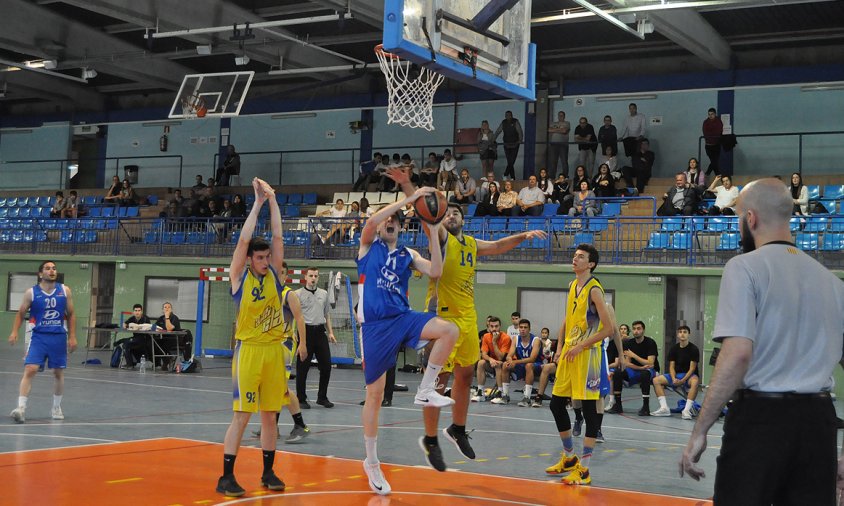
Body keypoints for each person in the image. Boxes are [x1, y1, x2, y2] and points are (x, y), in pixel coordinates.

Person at [679, 178, 844, 505]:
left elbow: (738, 354)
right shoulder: (832, 282)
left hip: (761, 422)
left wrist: (700, 431)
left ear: (750, 219)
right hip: (819, 425)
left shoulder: (744, 268)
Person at [391, 166, 547, 470]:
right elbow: (425, 215)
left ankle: (457, 429)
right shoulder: (441, 238)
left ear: (465, 220)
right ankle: (431, 439)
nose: (451, 217)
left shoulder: (472, 244)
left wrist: (524, 234)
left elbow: (500, 245)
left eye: (457, 215)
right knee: (438, 382)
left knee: (464, 376)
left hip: (467, 317)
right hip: (443, 319)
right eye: (448, 214)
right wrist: (409, 186)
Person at [357, 186, 458, 494]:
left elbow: (437, 271)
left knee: (449, 330)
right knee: (374, 396)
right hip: (375, 327)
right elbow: (372, 222)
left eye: (397, 221)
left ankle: (426, 389)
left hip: (402, 318)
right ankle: (371, 461)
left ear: (402, 228)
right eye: (389, 220)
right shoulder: (367, 247)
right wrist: (408, 201)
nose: (391, 223)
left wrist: (431, 233)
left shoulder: (408, 255)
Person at [216, 177, 287, 497]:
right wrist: (256, 203)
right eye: (259, 257)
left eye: (266, 257)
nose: (264, 260)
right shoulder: (238, 278)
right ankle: (226, 476)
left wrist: (272, 199)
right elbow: (244, 242)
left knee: (271, 415)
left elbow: (277, 235)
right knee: (242, 415)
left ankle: (268, 471)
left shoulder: (275, 272)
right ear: (249, 260)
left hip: (274, 351)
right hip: (249, 351)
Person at [546, 245, 623, 486]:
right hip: (569, 354)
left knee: (590, 411)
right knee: (556, 405)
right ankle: (569, 457)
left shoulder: (595, 290)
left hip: (589, 356)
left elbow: (609, 329)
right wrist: (560, 347)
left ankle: (585, 469)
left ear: (591, 264)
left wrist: (581, 345)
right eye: (575, 255)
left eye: (581, 257)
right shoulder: (572, 286)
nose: (575, 259)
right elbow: (568, 320)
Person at [8, 261, 77, 424]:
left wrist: (72, 336)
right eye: (47, 268)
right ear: (40, 274)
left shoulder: (64, 290)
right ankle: (21, 408)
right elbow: (20, 313)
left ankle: (56, 407)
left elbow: (72, 314)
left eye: (54, 268)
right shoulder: (31, 293)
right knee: (30, 369)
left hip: (58, 337)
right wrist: (14, 331)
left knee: (58, 372)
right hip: (39, 337)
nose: (52, 271)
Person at [253, 262, 311, 444]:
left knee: (280, 387)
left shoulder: (288, 294)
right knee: (271, 387)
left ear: (286, 275)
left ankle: (300, 425)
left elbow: (300, 319)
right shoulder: (265, 293)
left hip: (284, 344)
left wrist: (303, 344)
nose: (279, 276)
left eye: (283, 273)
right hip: (269, 344)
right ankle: (273, 426)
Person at [295, 267, 337, 409]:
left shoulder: (324, 294)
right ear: (305, 277)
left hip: (320, 332)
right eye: (311, 275)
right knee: (303, 368)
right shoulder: (297, 294)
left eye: (316, 276)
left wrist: (330, 332)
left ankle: (322, 397)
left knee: (326, 366)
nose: (313, 278)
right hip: (305, 333)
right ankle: (301, 398)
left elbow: (327, 315)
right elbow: (294, 316)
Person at [606, 320, 658, 416]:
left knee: (645, 374)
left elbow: (650, 363)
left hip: (649, 370)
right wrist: (640, 367)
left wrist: (634, 356)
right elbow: (626, 363)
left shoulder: (650, 342)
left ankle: (646, 407)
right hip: (636, 369)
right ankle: (618, 405)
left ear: (643, 330)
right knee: (617, 373)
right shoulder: (629, 343)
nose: (636, 331)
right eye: (634, 329)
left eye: (638, 329)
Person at [650, 325, 700, 418]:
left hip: (689, 375)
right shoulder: (674, 349)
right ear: (678, 335)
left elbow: (692, 368)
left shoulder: (694, 349)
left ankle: (686, 410)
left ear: (689, 334)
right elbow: (671, 367)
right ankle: (664, 408)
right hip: (676, 375)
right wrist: (673, 378)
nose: (682, 334)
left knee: (695, 382)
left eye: (685, 332)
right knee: (656, 380)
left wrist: (683, 380)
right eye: (680, 332)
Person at [502, 319, 542, 407]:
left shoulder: (536, 340)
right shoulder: (515, 339)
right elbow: (509, 355)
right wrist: (509, 360)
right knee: (505, 365)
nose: (523, 329)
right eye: (521, 327)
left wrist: (515, 361)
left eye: (525, 327)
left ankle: (527, 398)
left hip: (536, 365)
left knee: (528, 365)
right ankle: (505, 395)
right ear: (518, 329)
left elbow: (532, 359)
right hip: (521, 365)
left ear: (529, 329)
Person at [472, 316, 510, 402]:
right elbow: (484, 354)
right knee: (481, 362)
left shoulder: (506, 338)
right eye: (492, 326)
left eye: (496, 326)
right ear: (488, 327)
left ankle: (500, 393)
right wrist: (490, 360)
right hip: (492, 362)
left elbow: (501, 357)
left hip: (504, 364)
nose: (494, 329)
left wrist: (494, 342)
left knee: (498, 363)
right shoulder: (485, 336)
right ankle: (480, 392)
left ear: (500, 326)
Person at [493, 111, 524, 181]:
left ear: (512, 115)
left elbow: (520, 131)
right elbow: (498, 131)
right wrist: (493, 140)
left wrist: (520, 140)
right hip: (506, 144)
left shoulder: (515, 121)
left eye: (509, 115)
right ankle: (513, 177)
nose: (508, 116)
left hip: (515, 144)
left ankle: (505, 174)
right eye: (506, 115)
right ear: (505, 116)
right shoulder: (503, 122)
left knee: (512, 161)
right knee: (510, 161)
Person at [123, 303, 152, 368]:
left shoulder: (145, 318)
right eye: (135, 311)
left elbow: (149, 328)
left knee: (126, 344)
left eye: (139, 311)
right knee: (125, 343)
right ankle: (131, 363)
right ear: (133, 312)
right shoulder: (132, 318)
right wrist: (125, 325)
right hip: (136, 338)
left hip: (144, 339)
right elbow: (125, 324)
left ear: (141, 311)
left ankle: (130, 364)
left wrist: (139, 327)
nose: (137, 312)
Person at [548, 111, 571, 178]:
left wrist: (555, 129)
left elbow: (564, 131)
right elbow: (549, 130)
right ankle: (552, 177)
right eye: (559, 115)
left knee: (564, 161)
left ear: (564, 116)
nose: (560, 117)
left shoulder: (567, 123)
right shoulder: (553, 123)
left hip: (563, 145)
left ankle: (565, 176)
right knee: (553, 162)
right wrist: (560, 129)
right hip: (553, 145)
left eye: (562, 115)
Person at [702, 108, 723, 176]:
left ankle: (708, 173)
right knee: (713, 161)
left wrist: (712, 134)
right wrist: (712, 134)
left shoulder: (718, 121)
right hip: (708, 145)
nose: (710, 116)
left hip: (716, 145)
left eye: (712, 114)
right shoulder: (706, 122)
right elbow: (705, 133)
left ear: (715, 114)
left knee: (714, 161)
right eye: (709, 114)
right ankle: (718, 174)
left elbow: (718, 132)